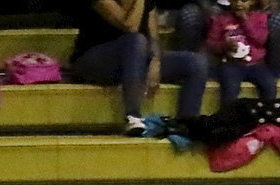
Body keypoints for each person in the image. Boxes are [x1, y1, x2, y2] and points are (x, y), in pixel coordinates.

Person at [68, 0, 209, 134]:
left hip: (136, 61)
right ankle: (133, 116)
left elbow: (153, 37)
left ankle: (185, 125)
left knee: (196, 63)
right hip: (94, 60)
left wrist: (156, 61)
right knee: (136, 40)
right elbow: (131, 26)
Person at [206, 0, 280, 105]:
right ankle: (229, 117)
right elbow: (211, 44)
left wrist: (245, 21)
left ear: (252, 2)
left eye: (244, 1)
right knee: (231, 88)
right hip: (231, 64)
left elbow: (261, 39)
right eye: (235, 0)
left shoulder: (260, 17)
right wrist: (225, 45)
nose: (239, 4)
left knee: (269, 86)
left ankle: (266, 117)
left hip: (256, 65)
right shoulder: (220, 19)